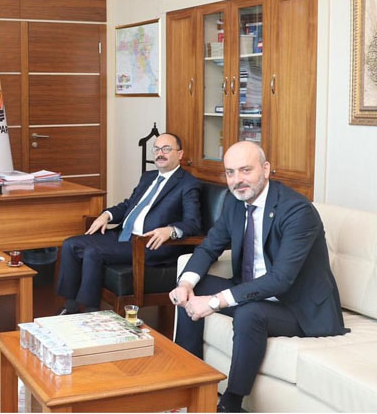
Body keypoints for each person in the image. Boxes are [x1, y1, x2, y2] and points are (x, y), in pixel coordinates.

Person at [170, 141, 347, 413]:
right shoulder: (234, 202)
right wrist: (185, 284)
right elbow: (209, 247)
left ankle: (231, 403)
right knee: (195, 286)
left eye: (245, 170)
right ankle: (188, 382)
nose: (237, 180)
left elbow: (280, 279)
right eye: (230, 172)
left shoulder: (297, 211)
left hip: (297, 307)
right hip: (253, 291)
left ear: (265, 169)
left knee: (249, 313)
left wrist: (215, 302)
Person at [56, 132, 201, 314]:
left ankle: (91, 312)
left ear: (180, 154)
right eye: (156, 149)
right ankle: (70, 306)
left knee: (93, 252)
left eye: (166, 149)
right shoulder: (148, 177)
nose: (160, 153)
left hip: (149, 244)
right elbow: (128, 205)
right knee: (70, 244)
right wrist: (107, 215)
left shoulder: (188, 183)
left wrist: (170, 230)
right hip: (124, 235)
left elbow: (193, 223)